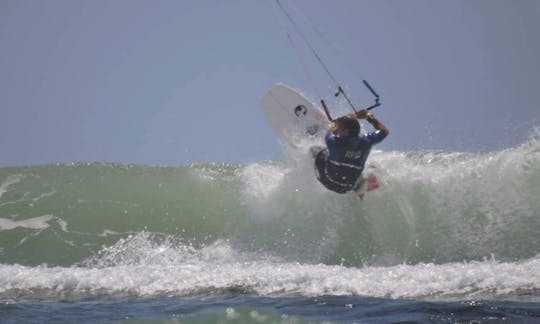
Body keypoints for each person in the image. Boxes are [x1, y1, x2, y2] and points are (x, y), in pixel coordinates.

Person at [314, 109, 389, 196]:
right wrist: (368, 116)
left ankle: (307, 154)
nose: (338, 130)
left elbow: (330, 132)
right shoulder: (367, 141)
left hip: (327, 180)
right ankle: (359, 188)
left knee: (319, 151)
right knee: (353, 165)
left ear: (346, 131)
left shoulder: (334, 142)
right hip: (346, 188)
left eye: (340, 128)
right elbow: (384, 131)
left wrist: (334, 124)